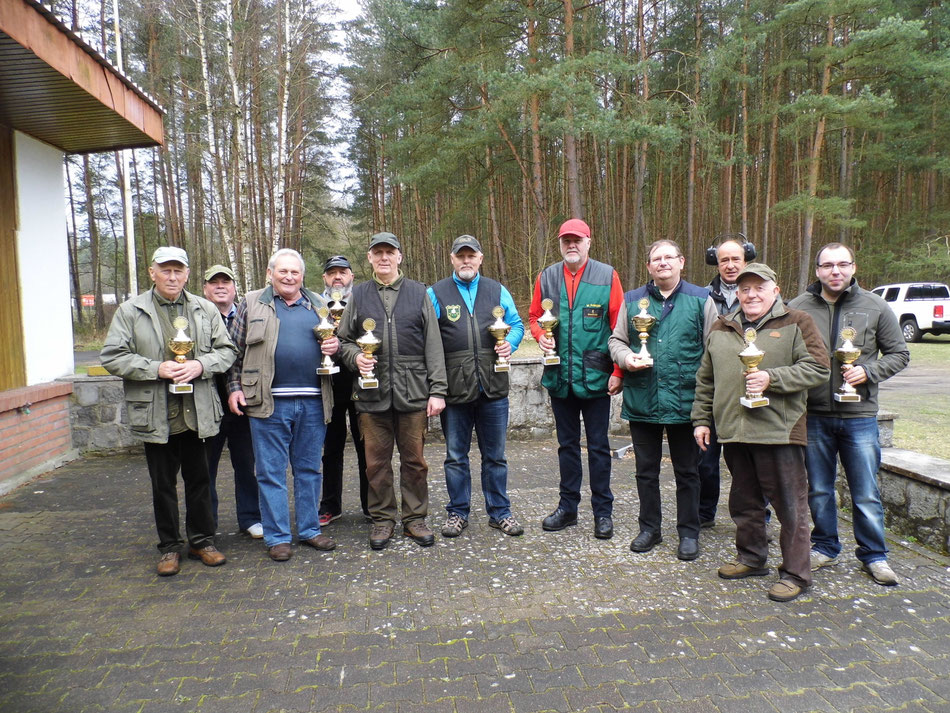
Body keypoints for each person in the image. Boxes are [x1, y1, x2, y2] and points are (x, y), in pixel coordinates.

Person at [691, 263, 830, 602]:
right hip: (734, 430)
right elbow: (705, 379)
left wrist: (772, 378)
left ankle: (797, 573)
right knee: (743, 502)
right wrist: (701, 420)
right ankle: (752, 558)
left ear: (775, 290)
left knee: (790, 506)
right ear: (736, 293)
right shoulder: (722, 326)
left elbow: (818, 368)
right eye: (745, 289)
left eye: (759, 288)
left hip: (779, 431)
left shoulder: (797, 322)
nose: (751, 294)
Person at [101, 246, 237, 576]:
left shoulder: (205, 309)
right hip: (156, 413)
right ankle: (169, 547)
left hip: (198, 411)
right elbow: (112, 356)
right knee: (162, 486)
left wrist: (199, 365)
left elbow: (227, 351)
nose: (172, 276)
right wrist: (156, 368)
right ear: (152, 272)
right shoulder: (131, 311)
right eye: (166, 270)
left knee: (200, 481)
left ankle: (202, 541)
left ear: (188, 273)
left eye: (178, 270)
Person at [788, 243, 909, 586]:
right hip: (812, 415)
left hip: (859, 415)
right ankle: (825, 546)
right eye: (828, 265)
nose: (835, 271)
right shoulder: (797, 307)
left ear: (854, 268)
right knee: (820, 489)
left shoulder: (875, 306)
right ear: (817, 271)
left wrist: (868, 372)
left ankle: (874, 555)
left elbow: (899, 353)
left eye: (842, 265)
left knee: (865, 489)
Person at [336, 233, 448, 550]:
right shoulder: (358, 295)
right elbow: (343, 341)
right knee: (376, 463)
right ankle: (383, 519)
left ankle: (415, 519)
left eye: (390, 252)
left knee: (415, 461)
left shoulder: (418, 293)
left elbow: (433, 345)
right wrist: (356, 357)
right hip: (371, 396)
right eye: (378, 252)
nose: (384, 257)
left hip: (413, 392)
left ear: (399, 256)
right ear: (369, 258)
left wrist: (437, 390)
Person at [608, 240, 717, 561]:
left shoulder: (701, 300)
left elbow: (712, 348)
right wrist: (627, 359)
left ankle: (688, 532)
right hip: (644, 400)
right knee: (645, 472)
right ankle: (649, 529)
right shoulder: (632, 301)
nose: (663, 263)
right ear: (649, 266)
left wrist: (709, 399)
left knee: (688, 471)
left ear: (681, 262)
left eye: (669, 257)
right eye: (656, 258)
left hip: (687, 402)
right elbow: (616, 339)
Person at [227, 248, 338, 562]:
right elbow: (232, 352)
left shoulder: (320, 304)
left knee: (309, 469)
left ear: (302, 276)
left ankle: (309, 530)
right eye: (283, 271)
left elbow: (333, 345)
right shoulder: (251, 303)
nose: (289, 277)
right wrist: (235, 388)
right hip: (268, 403)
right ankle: (277, 537)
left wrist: (336, 344)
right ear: (270, 273)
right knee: (270, 472)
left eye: (295, 272)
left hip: (314, 401)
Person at [528, 218, 624, 539]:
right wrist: (541, 334)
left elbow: (620, 326)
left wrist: (618, 372)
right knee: (567, 446)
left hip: (596, 377)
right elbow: (534, 317)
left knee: (598, 447)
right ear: (560, 244)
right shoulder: (547, 276)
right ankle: (568, 508)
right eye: (566, 240)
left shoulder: (607, 275)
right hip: (559, 377)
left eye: (577, 240)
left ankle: (603, 513)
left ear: (588, 242)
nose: (572, 245)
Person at [427, 235, 526, 538]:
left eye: (472, 255)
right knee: (456, 457)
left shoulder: (497, 290)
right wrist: (435, 387)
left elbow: (518, 324)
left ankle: (500, 512)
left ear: (480, 258)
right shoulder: (436, 293)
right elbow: (428, 338)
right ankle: (457, 513)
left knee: (495, 456)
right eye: (461, 256)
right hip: (454, 390)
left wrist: (509, 343)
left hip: (492, 387)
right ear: (452, 258)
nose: (466, 261)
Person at [202, 264, 263, 539]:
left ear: (234, 287)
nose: (220, 286)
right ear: (205, 288)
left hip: (242, 401)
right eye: (214, 282)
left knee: (246, 462)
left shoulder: (250, 313)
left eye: (225, 281)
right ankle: (206, 522)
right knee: (205, 466)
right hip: (206, 400)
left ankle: (250, 518)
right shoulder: (196, 316)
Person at [699, 239, 750, 527]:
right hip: (713, 389)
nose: (730, 265)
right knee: (705, 461)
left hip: (750, 388)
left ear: (746, 261)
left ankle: (755, 518)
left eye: (736, 259)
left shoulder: (760, 295)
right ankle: (704, 514)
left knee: (749, 463)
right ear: (715, 263)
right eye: (724, 260)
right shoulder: (701, 296)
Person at [317, 255, 369, 526]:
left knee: (366, 446)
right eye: (332, 273)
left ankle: (371, 504)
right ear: (325, 278)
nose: (338, 277)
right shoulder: (315, 305)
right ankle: (330, 506)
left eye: (343, 272)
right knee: (331, 447)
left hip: (361, 380)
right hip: (329, 383)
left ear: (352, 276)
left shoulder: (363, 301)